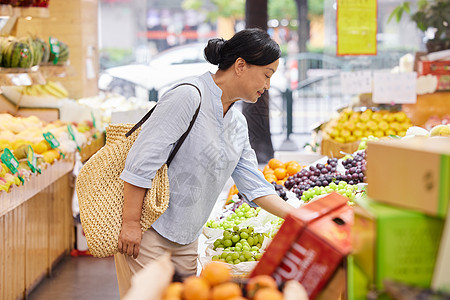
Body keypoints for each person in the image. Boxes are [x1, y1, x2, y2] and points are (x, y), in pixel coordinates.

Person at [114, 28, 295, 297]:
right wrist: (129, 223)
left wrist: (300, 218)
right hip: (148, 231)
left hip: (188, 238)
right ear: (241, 66)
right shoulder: (188, 96)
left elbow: (255, 186)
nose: (268, 86)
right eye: (267, 74)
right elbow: (140, 163)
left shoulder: (236, 122)